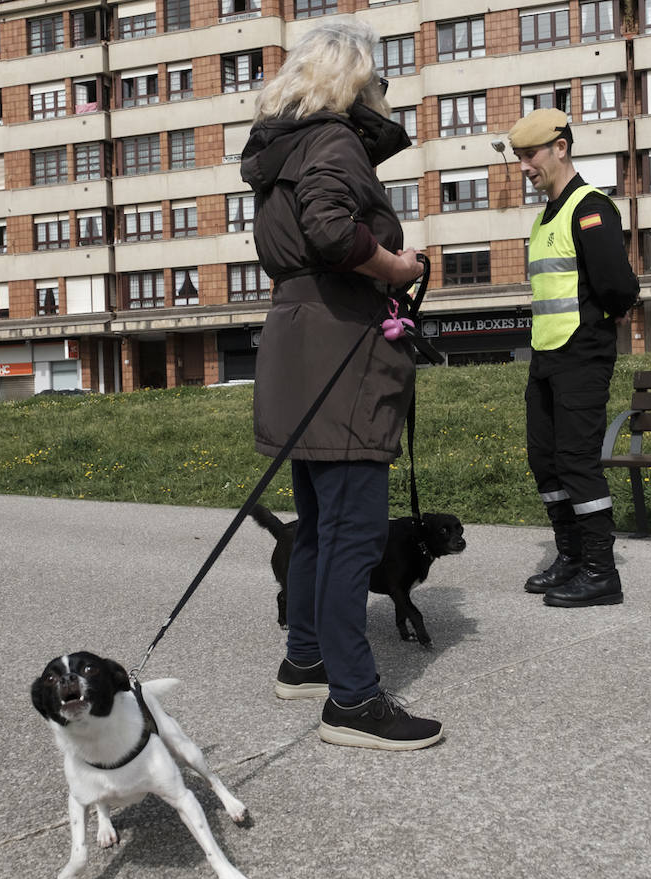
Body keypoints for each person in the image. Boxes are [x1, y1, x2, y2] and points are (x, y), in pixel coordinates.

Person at [241, 19, 442, 751]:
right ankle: (354, 702)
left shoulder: (283, 150)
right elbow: (332, 230)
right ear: (353, 81)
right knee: (355, 532)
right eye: (377, 80)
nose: (384, 94)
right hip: (341, 350)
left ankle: (307, 660)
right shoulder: (335, 143)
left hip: (295, 341)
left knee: (321, 526)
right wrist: (398, 266)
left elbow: (303, 238)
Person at [511, 108, 639, 608]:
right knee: (545, 459)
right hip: (546, 354)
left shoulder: (590, 206)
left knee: (578, 462)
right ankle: (569, 557)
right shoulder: (545, 216)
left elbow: (616, 284)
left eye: (531, 154)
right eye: (519, 157)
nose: (524, 166)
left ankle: (600, 571)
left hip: (581, 354)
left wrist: (608, 315)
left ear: (561, 146)